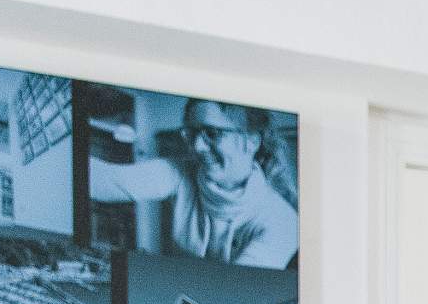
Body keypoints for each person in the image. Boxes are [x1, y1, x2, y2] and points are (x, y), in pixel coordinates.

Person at [89, 100, 298, 269]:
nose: (197, 147)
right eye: (191, 134)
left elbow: (233, 291)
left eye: (212, 134)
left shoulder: (283, 222)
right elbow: (103, 181)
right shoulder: (181, 173)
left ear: (251, 140)